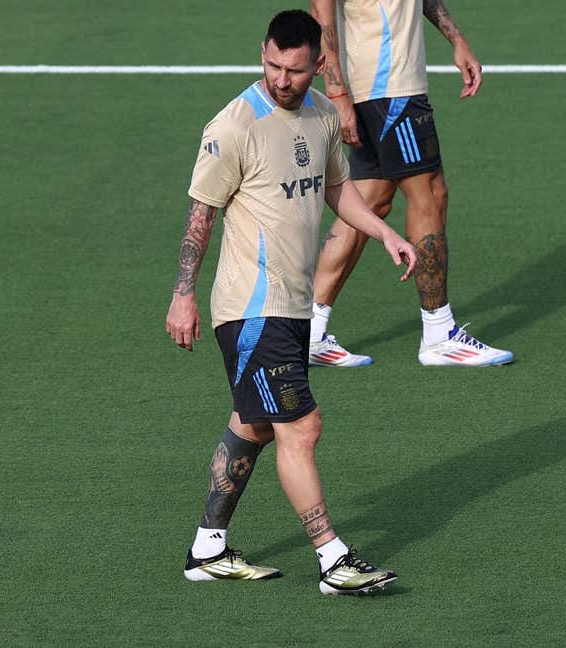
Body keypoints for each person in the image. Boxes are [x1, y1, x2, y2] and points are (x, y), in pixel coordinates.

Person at [165, 9, 417, 595]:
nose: (282, 79)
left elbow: (336, 190)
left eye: (295, 70)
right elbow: (201, 213)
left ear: (318, 65)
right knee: (300, 427)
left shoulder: (324, 115)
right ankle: (333, 560)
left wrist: (385, 233)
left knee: (253, 424)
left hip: (291, 306)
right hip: (252, 305)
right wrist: (183, 294)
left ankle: (208, 548)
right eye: (274, 65)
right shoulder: (234, 125)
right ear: (263, 54)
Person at [305, 0, 514, 368]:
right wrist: (336, 94)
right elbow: (322, 15)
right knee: (430, 193)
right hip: (388, 88)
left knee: (371, 200)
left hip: (386, 86)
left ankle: (309, 331)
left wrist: (457, 39)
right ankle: (438, 334)